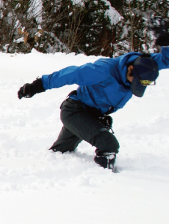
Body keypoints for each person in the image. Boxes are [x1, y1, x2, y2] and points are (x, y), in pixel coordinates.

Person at [18, 19, 169, 170]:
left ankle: (46, 167)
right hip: (75, 111)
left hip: (92, 116)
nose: (134, 85)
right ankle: (108, 182)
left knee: (61, 153)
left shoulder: (147, 64)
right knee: (108, 144)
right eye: (136, 81)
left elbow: (166, 60)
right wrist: (37, 86)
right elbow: (70, 74)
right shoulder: (104, 70)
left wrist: (166, 42)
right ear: (130, 69)